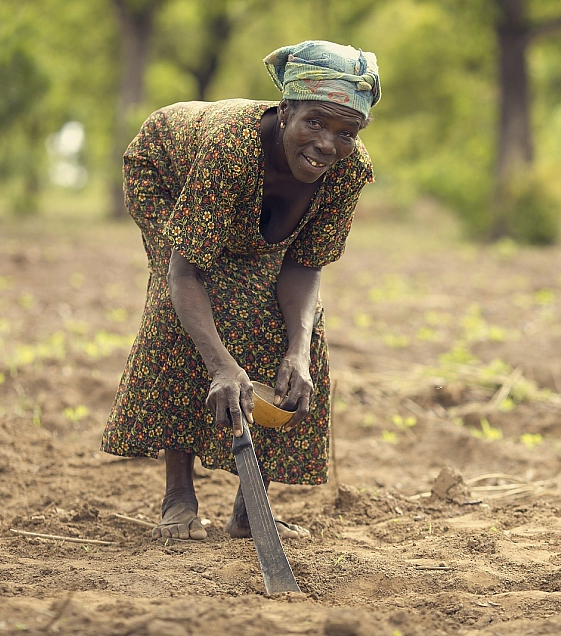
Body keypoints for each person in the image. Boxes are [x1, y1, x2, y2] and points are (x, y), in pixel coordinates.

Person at [101, 41, 381, 540]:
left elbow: (304, 264)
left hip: (225, 193)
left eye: (345, 131)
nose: (326, 144)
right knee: (189, 304)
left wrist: (297, 352)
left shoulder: (348, 170)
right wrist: (221, 365)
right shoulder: (233, 149)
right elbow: (184, 274)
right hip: (165, 170)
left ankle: (250, 510)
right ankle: (178, 495)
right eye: (314, 122)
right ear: (286, 109)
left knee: (298, 334)